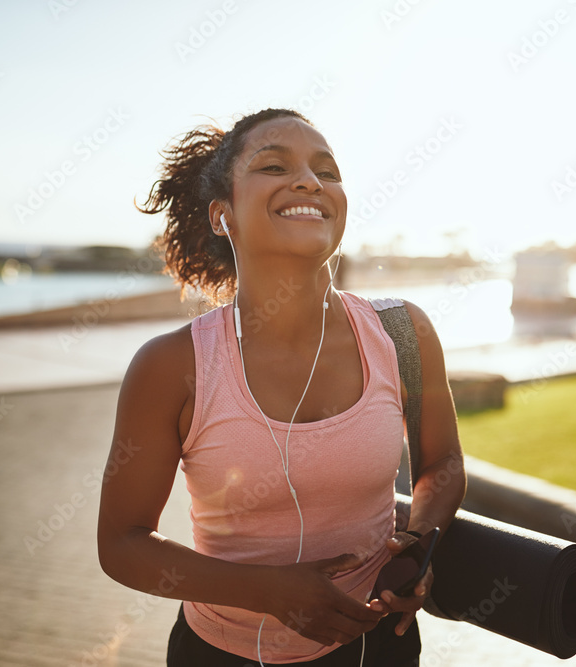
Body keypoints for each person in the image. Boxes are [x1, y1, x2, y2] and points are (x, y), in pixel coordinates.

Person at [96, 108, 466, 666]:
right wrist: (267, 592)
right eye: (274, 166)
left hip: (379, 649)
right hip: (219, 653)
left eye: (327, 171)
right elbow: (122, 543)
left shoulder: (403, 333)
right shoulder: (173, 365)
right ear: (224, 216)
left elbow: (443, 463)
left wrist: (418, 544)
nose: (309, 182)